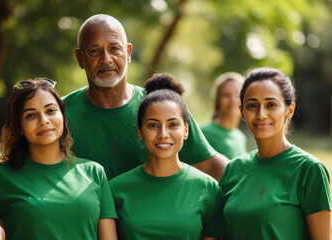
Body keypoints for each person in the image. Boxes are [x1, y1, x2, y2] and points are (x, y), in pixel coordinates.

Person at [62, 14, 228, 181]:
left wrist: (251, 184)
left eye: (114, 48)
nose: (106, 59)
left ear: (128, 53)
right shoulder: (58, 114)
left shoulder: (161, 106)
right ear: (80, 58)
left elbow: (212, 165)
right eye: (94, 51)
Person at [0, 78, 117, 240]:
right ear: (19, 126)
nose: (44, 121)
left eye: (50, 111)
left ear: (62, 115)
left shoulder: (94, 173)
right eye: (31, 115)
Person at [219, 67, 331, 239]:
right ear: (242, 112)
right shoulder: (233, 169)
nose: (261, 114)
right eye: (252, 105)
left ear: (289, 110)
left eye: (271, 105)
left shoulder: (308, 170)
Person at [109, 73, 225, 239]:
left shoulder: (207, 188)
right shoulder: (116, 189)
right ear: (140, 132)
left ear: (186, 130)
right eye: (153, 125)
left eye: (173, 124)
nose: (163, 134)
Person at [200, 72, 247, 160]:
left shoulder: (240, 137)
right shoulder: (203, 133)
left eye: (237, 95)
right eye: (226, 95)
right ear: (218, 100)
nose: (232, 100)